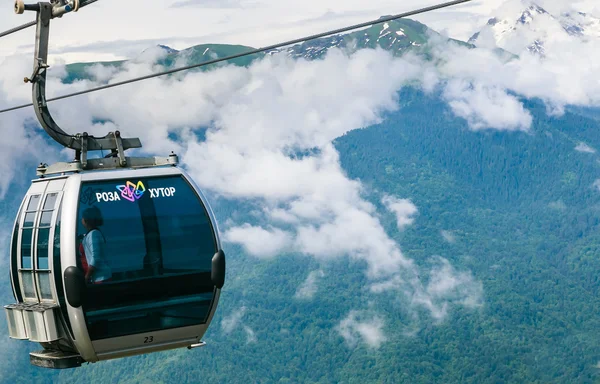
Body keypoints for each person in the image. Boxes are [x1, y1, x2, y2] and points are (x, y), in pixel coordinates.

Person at [79, 206, 112, 284]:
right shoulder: (90, 234)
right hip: (97, 277)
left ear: (86, 220)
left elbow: (96, 258)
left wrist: (87, 276)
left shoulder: (94, 234)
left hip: (101, 277)